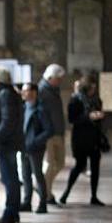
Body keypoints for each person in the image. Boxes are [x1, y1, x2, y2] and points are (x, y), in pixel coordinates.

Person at [60, 76, 106, 206]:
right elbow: (72, 119)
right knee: (79, 165)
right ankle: (66, 193)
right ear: (86, 88)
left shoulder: (97, 100)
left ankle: (94, 196)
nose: (94, 89)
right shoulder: (75, 100)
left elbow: (99, 117)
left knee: (95, 167)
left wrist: (99, 116)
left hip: (94, 138)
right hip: (80, 138)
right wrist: (88, 116)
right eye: (92, 87)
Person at [0, 66, 24, 223]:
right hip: (10, 142)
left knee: (9, 179)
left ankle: (10, 213)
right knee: (12, 178)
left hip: (6, 144)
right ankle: (13, 212)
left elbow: (7, 121)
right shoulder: (12, 93)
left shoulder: (5, 94)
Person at [19, 83, 53, 214]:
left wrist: (35, 141)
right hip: (23, 147)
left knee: (38, 175)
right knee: (25, 175)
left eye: (25, 91)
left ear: (34, 92)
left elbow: (49, 130)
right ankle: (27, 202)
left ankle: (42, 203)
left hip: (35, 148)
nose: (23, 93)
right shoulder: (23, 107)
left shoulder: (41, 109)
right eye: (23, 91)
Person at [39, 63, 67, 206]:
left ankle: (42, 186)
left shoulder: (54, 90)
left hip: (58, 132)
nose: (60, 81)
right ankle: (47, 193)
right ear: (50, 77)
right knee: (50, 164)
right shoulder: (42, 90)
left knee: (60, 163)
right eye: (58, 78)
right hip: (49, 133)